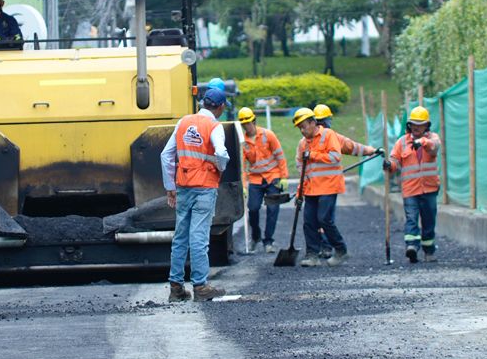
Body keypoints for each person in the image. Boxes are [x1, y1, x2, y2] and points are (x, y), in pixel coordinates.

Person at [160, 88, 231, 302]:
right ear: (220, 107)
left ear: (202, 103)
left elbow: (166, 155)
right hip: (204, 187)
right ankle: (200, 287)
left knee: (181, 236)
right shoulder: (214, 126)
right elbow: (221, 154)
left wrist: (170, 186)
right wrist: (219, 165)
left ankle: (176, 288)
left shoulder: (183, 122)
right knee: (198, 236)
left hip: (183, 186)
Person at [293, 107, 378, 267]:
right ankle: (312, 255)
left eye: (304, 126)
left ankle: (341, 250)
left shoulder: (328, 135)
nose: (302, 131)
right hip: (311, 188)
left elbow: (335, 156)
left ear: (313, 122)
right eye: (299, 128)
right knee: (309, 221)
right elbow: (301, 168)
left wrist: (313, 155)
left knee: (324, 219)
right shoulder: (302, 144)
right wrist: (300, 193)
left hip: (329, 186)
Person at [386, 106, 441, 262]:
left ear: (426, 126)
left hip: (429, 188)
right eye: (413, 124)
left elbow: (434, 147)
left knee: (429, 219)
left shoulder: (432, 138)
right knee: (411, 218)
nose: (416, 127)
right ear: (409, 125)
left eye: (420, 124)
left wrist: (422, 142)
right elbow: (395, 160)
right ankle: (411, 246)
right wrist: (389, 165)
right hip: (410, 189)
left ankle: (429, 250)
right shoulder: (402, 142)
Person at [238, 107, 287, 253]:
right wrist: (244, 185)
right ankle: (256, 235)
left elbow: (280, 156)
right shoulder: (243, 143)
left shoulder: (268, 135)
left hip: (273, 177)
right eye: (244, 123)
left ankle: (268, 241)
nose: (247, 126)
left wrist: (283, 177)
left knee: (273, 209)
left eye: (249, 122)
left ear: (254, 121)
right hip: (256, 179)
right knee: (253, 209)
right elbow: (243, 166)